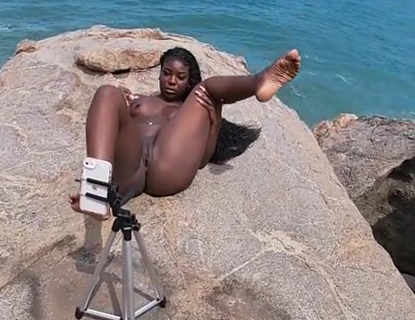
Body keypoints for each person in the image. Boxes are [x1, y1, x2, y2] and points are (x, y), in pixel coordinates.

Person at [69, 46, 301, 220]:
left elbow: (201, 161)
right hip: (130, 165)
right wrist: (120, 103)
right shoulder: (138, 99)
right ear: (159, 73)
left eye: (180, 77)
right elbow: (111, 128)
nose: (172, 81)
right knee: (107, 92)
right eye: (167, 73)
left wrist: (214, 119)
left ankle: (260, 80)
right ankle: (95, 194)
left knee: (207, 89)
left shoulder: (191, 111)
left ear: (189, 82)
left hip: (166, 167)